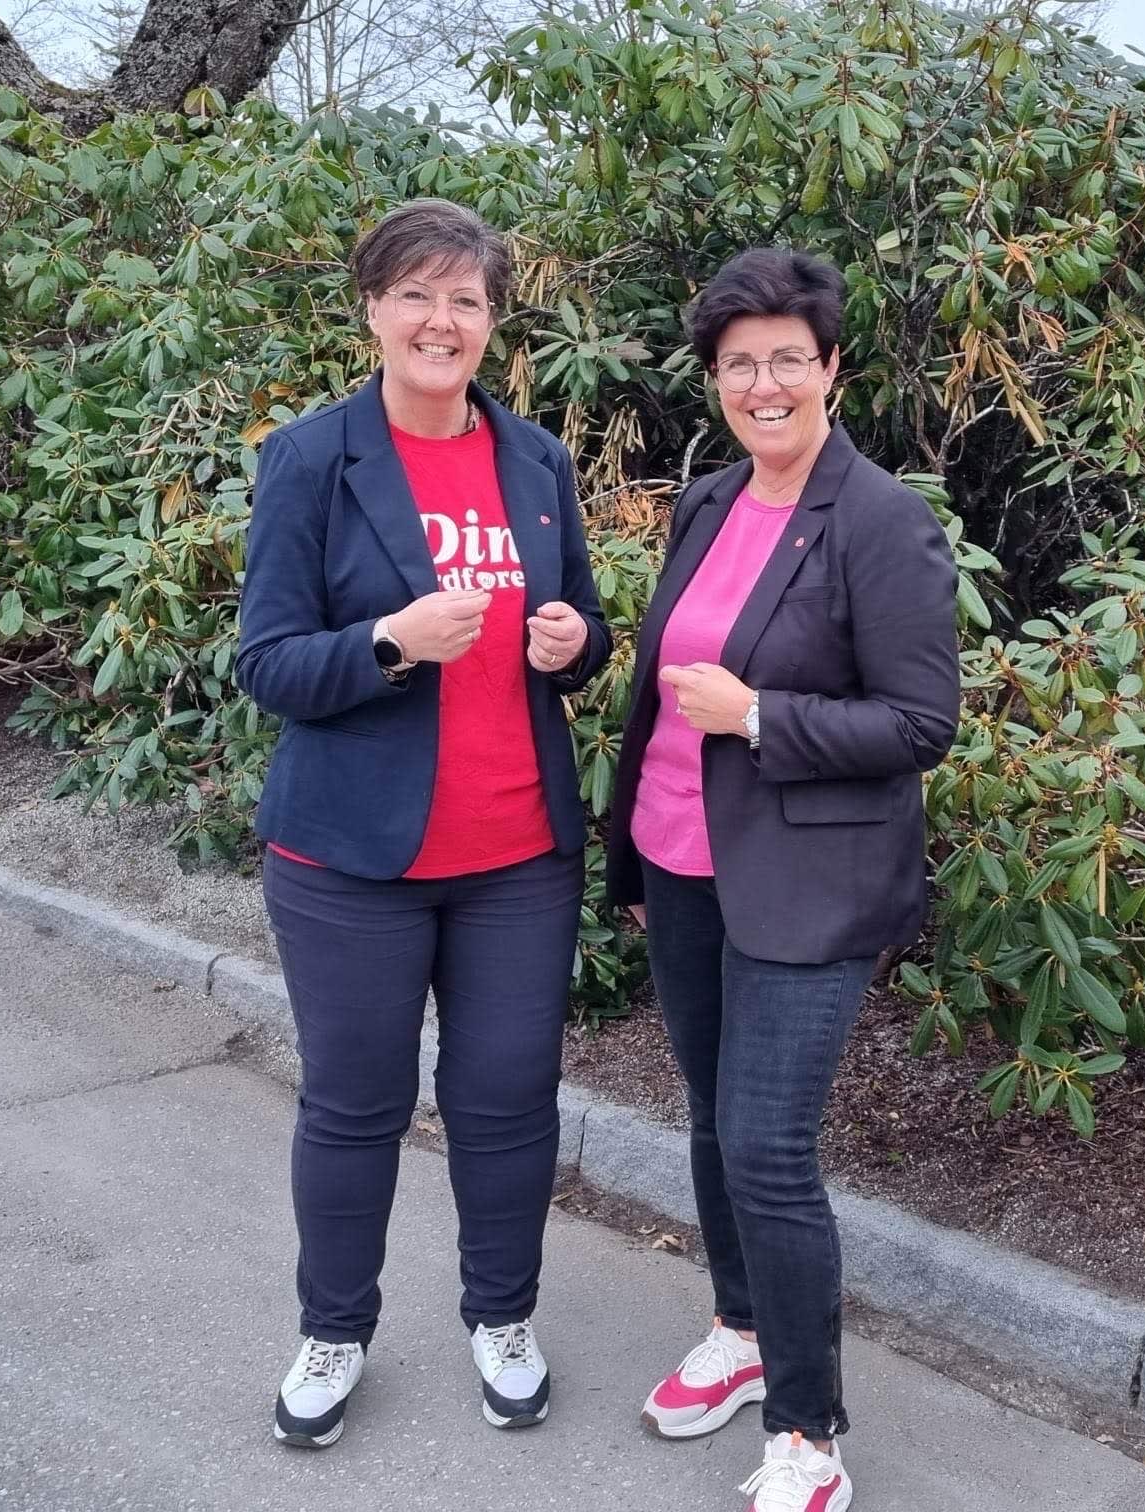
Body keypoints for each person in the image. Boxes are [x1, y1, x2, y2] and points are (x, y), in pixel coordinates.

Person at [234, 199, 609, 1449]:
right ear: (374, 310)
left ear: (493, 322)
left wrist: (574, 643)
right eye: (416, 295)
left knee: (507, 1104)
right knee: (355, 1106)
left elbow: (583, 634)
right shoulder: (311, 458)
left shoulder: (536, 461)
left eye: (466, 299)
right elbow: (269, 664)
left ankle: (503, 1319)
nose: (441, 321)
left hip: (517, 856)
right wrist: (390, 643)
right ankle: (334, 1332)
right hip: (352, 858)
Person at [606, 248, 959, 1512]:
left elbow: (920, 723)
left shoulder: (880, 520)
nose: (764, 384)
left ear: (831, 369)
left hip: (808, 884)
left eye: (787, 361)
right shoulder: (708, 502)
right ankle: (742, 1328)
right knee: (712, 1119)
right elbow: (661, 695)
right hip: (681, 861)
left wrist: (759, 714)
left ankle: (808, 1430)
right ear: (716, 379)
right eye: (740, 363)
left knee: (765, 1146)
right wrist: (635, 850)